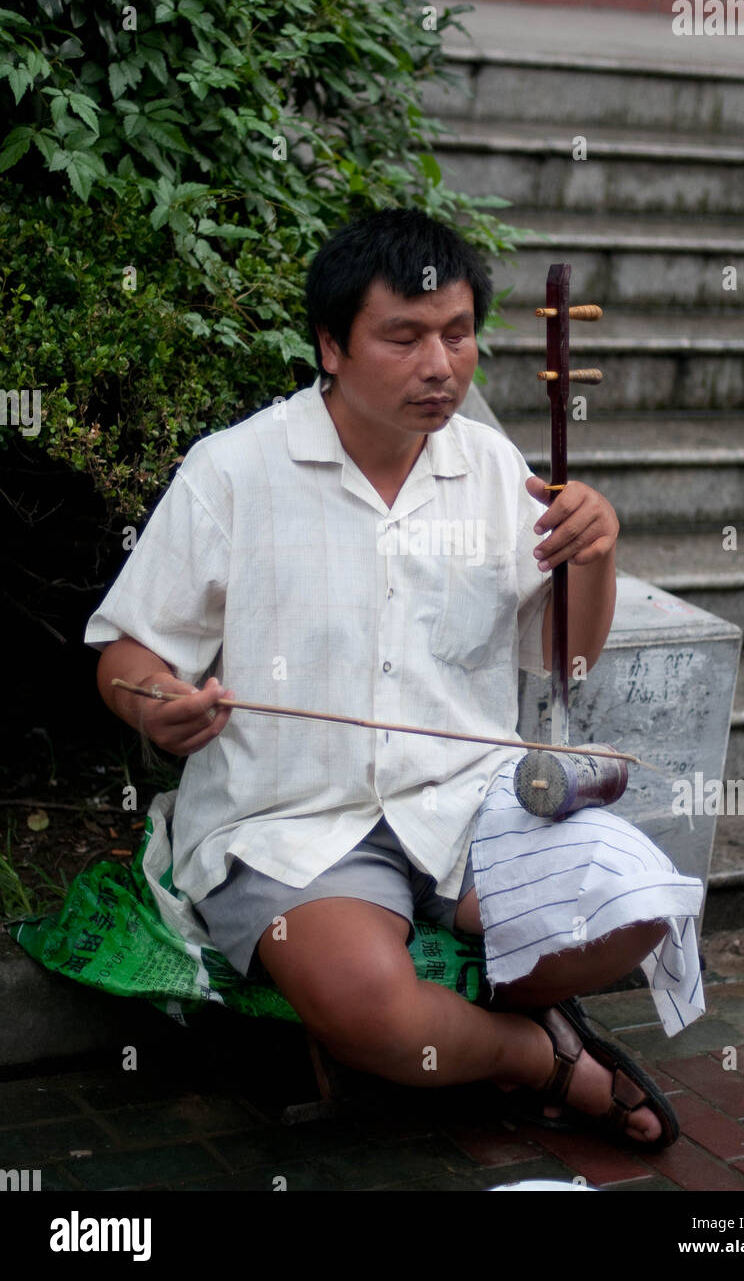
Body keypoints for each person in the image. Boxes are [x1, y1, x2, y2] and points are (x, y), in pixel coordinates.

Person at [85, 207, 705, 1148]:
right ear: (331, 345)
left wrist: (598, 553)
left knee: (634, 907)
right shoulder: (235, 471)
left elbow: (564, 660)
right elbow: (128, 653)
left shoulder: (492, 466)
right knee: (372, 1008)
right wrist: (155, 703)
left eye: (456, 335)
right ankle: (535, 1058)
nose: (438, 365)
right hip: (290, 816)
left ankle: (480, 1012)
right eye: (404, 337)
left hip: (463, 799)